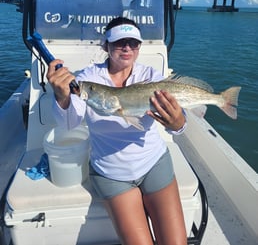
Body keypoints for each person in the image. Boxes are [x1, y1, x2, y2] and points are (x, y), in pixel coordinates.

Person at [47, 17, 187, 245]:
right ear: (106, 46)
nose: (127, 48)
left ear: (140, 47)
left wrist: (178, 123)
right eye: (119, 42)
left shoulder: (151, 77)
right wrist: (62, 97)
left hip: (154, 163)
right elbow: (69, 124)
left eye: (133, 43)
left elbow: (179, 125)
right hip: (112, 174)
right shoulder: (87, 81)